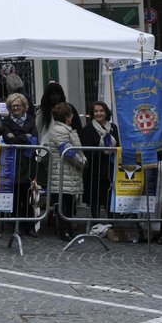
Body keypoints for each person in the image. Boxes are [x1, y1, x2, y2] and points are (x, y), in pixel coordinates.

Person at [41, 102, 87, 241]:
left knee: (67, 203)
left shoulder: (64, 129)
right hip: (62, 172)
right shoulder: (61, 131)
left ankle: (67, 229)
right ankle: (63, 231)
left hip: (68, 172)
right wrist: (82, 161)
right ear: (68, 116)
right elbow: (67, 152)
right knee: (63, 204)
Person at [0, 92, 39, 233]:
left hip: (28, 163)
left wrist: (18, 137)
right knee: (16, 195)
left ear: (24, 107)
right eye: (13, 106)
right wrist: (25, 137)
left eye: (18, 105)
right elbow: (9, 139)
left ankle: (29, 226)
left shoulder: (31, 120)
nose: (16, 108)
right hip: (13, 162)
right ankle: (17, 225)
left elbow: (35, 138)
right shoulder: (6, 122)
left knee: (28, 195)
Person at [77, 99, 119, 228]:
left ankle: (112, 222)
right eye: (96, 111)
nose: (99, 113)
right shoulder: (88, 129)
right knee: (95, 196)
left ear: (106, 113)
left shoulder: (113, 128)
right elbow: (86, 149)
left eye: (101, 111)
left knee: (109, 195)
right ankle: (96, 221)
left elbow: (118, 145)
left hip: (110, 167)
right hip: (94, 169)